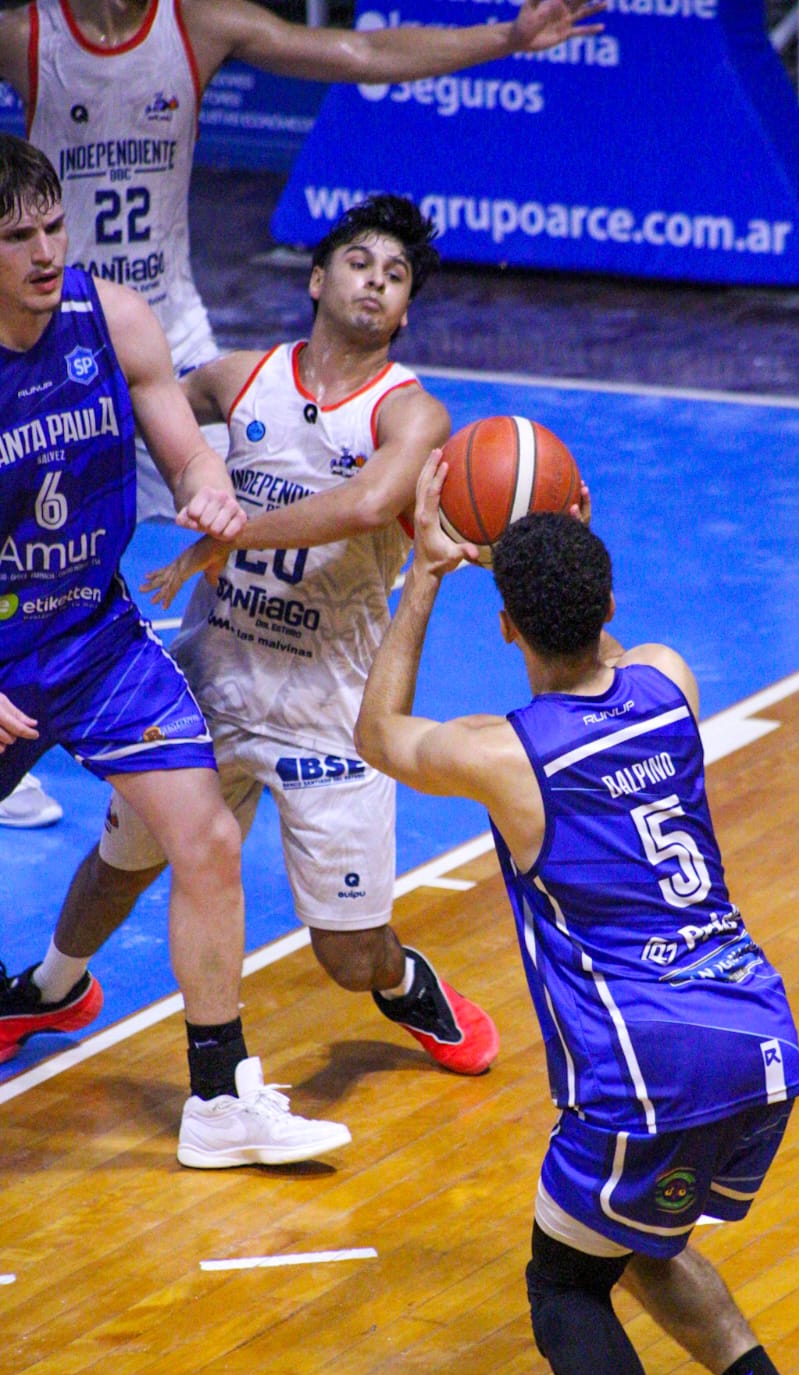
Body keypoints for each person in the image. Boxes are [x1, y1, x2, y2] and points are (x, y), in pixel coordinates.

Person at [354, 461, 799, 1375]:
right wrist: (562, 541)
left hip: (646, 1065)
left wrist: (426, 575)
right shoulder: (668, 680)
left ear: (506, 626)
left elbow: (378, 732)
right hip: (757, 1034)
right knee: (640, 1243)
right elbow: (606, 648)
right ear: (611, 604)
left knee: (564, 1282)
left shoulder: (506, 754)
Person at [0, 0, 600, 826]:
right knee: (28, 542)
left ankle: (215, 737)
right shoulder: (28, 35)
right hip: (32, 337)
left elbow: (356, 52)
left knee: (256, 541)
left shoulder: (196, 26)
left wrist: (506, 38)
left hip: (157, 338)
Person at [7, 194, 499, 1085]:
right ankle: (52, 988)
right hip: (211, 679)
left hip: (330, 710)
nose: (375, 283)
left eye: (394, 277)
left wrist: (222, 537)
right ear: (315, 279)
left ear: (403, 311)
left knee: (349, 957)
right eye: (359, 263)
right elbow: (143, 395)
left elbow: (363, 504)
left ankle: (404, 982)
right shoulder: (239, 380)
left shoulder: (409, 415)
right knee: (121, 864)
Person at [0, 133, 351, 1169]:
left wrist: (209, 487)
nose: (45, 252)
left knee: (204, 836)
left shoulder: (110, 318)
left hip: (92, 638)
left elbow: (186, 444)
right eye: (16, 238)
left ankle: (219, 1099)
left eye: (53, 227)